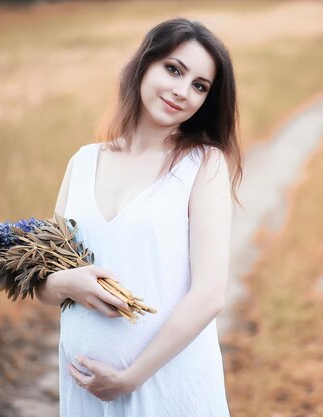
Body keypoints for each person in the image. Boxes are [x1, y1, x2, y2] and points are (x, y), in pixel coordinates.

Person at [34, 17, 243, 417]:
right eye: (174, 69)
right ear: (144, 64)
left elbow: (209, 294)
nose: (182, 91)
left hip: (168, 387)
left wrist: (131, 378)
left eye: (200, 86)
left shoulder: (203, 165)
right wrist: (68, 282)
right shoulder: (83, 162)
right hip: (85, 392)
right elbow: (42, 284)